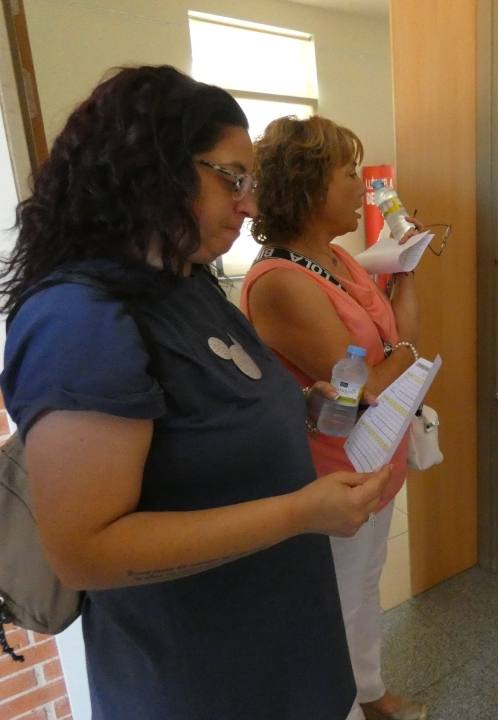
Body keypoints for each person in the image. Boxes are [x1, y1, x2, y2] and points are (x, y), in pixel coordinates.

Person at [0, 66, 389, 719]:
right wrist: (300, 513)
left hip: (288, 647)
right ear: (145, 169)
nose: (250, 204)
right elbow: (85, 550)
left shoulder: (186, 283)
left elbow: (210, 415)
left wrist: (306, 409)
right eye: (230, 178)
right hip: (202, 679)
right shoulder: (80, 320)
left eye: (252, 181)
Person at [241, 116, 424, 720]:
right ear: (309, 186)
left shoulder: (343, 260)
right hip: (328, 475)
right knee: (335, 603)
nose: (361, 187)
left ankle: (367, 693)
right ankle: (343, 705)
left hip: (376, 459)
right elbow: (369, 385)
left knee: (363, 589)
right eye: (349, 175)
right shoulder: (279, 282)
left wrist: (407, 268)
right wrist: (400, 358)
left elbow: (402, 337)